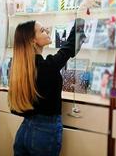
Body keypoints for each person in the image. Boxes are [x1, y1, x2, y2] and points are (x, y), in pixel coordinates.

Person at [8, 19, 84, 156]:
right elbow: (72, 45)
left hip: (24, 131)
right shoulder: (46, 67)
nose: (47, 31)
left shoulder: (22, 68)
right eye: (42, 30)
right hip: (45, 133)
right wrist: (81, 17)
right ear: (33, 41)